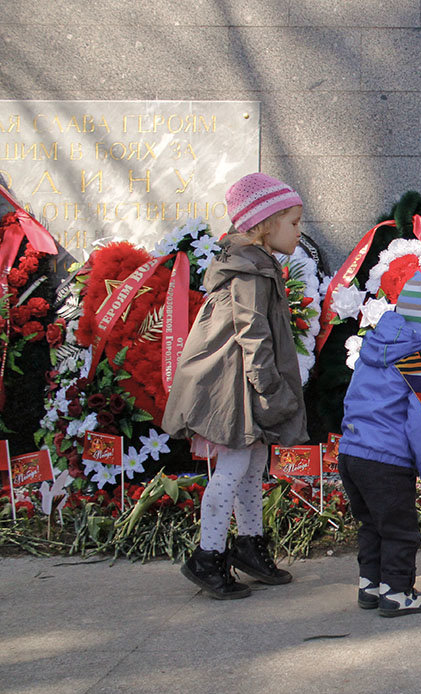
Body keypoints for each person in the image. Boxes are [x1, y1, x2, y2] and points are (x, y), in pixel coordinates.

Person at [162, 173, 308, 599]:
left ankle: (249, 544)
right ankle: (207, 555)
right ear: (265, 224)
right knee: (232, 468)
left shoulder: (255, 263)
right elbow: (252, 333)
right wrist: (268, 388)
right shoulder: (249, 270)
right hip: (236, 386)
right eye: (294, 222)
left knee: (252, 462)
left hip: (244, 382)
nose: (299, 231)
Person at [337, 272, 421, 617]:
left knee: (372, 524)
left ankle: (370, 584)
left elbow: (354, 397)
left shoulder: (376, 348)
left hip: (352, 453)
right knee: (400, 529)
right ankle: (397, 591)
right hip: (387, 461)